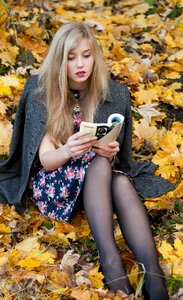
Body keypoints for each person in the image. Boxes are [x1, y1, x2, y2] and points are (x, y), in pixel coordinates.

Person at [0, 22, 172, 299]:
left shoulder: (111, 93)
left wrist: (110, 150)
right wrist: (69, 149)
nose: (80, 64)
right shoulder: (42, 93)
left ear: (95, 56)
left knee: (121, 182)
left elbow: (117, 154)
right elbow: (45, 160)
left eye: (86, 55)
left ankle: (153, 277)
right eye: (71, 57)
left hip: (96, 185)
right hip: (54, 183)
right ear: (59, 60)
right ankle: (110, 260)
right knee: (100, 165)